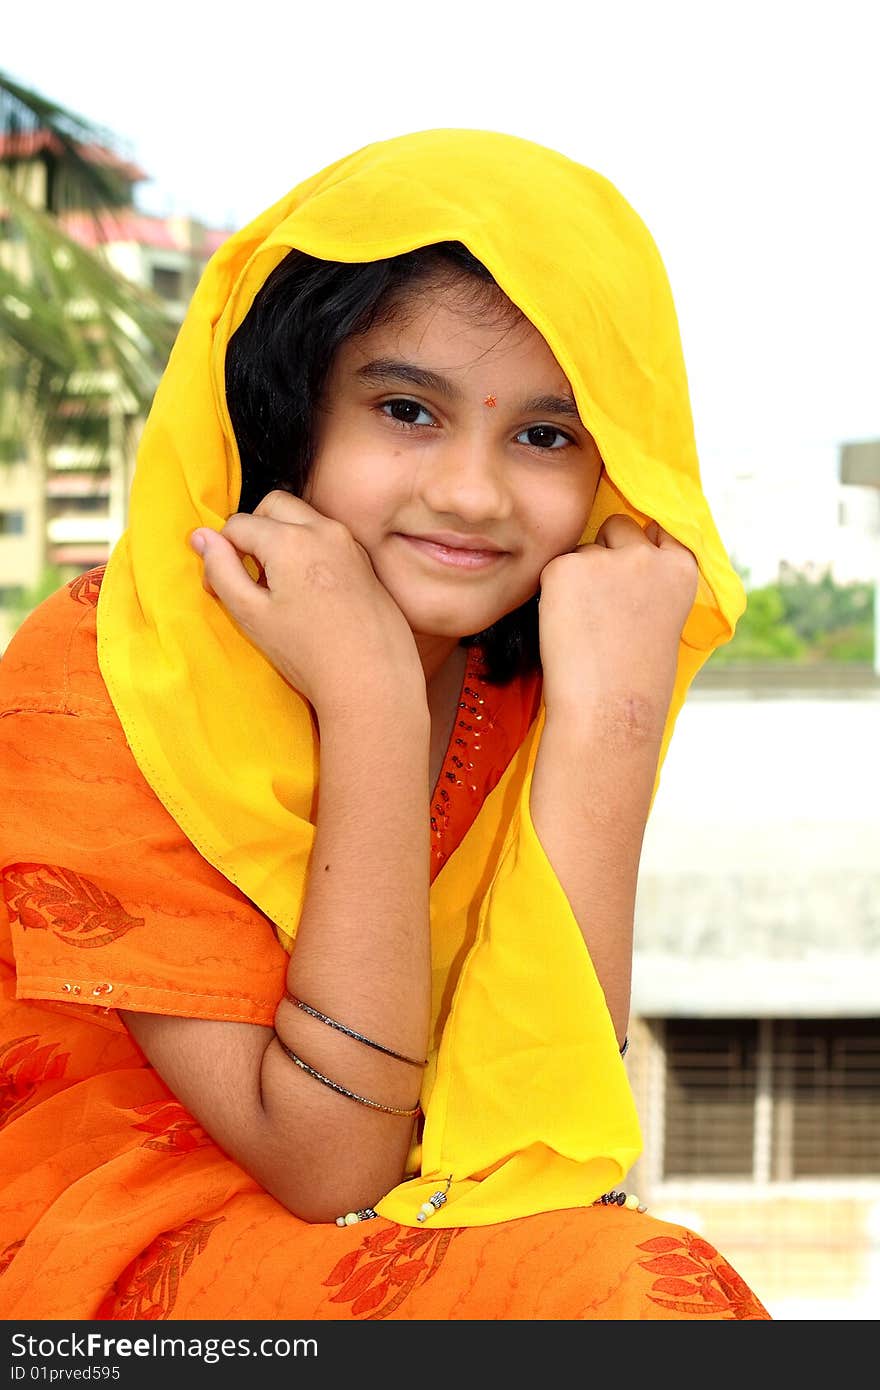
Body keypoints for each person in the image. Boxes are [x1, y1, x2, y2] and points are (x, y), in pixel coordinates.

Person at [0, 128, 770, 1320]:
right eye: (407, 409)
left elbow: (534, 1128)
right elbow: (325, 1160)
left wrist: (618, 714)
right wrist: (369, 704)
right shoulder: (111, 669)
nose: (470, 491)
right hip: (101, 1241)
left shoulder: (533, 668)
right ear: (288, 410)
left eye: (545, 435)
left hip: (391, 1224)